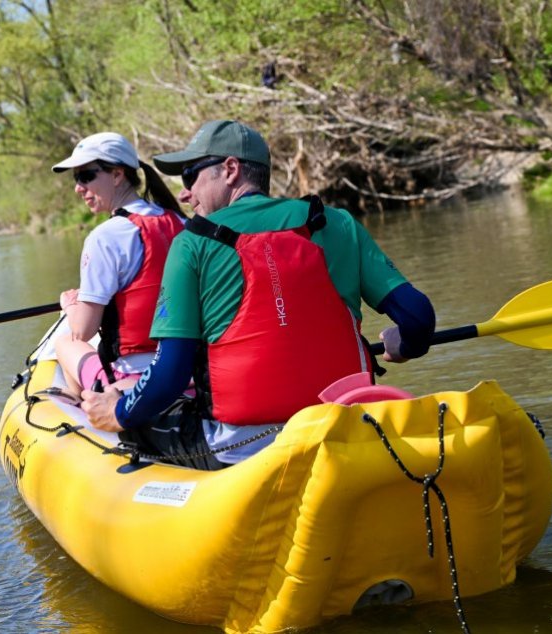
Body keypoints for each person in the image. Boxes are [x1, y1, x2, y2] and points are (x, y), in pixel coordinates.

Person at [81, 120, 435, 470]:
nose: (185, 194)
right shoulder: (336, 222)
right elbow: (419, 317)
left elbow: (170, 375)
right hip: (344, 424)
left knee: (136, 424)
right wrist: (403, 343)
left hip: (240, 448)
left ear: (230, 169)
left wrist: (118, 410)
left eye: (191, 176)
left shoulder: (191, 243)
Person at [51, 132, 186, 396]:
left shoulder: (105, 237)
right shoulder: (181, 221)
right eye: (76, 178)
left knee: (66, 341)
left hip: (134, 378)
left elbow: (83, 330)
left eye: (86, 176)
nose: (78, 187)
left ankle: (83, 409)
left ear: (116, 175)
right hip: (188, 368)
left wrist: (71, 307)